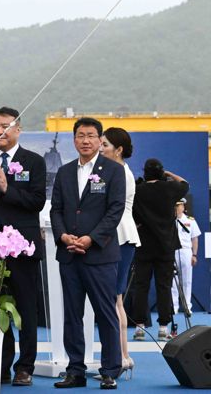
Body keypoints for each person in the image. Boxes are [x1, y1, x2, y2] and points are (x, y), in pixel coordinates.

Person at [50, 117, 124, 389]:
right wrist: (63, 235)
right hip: (69, 254)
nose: (85, 141)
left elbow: (115, 210)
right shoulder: (65, 172)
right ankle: (75, 370)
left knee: (105, 313)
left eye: (91, 136)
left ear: (99, 140)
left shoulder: (113, 171)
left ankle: (109, 370)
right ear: (74, 139)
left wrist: (91, 239)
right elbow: (56, 209)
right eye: (80, 135)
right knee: (72, 315)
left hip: (100, 255)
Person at [0, 107, 46, 387]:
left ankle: (25, 366)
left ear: (18, 129)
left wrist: (6, 190)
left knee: (27, 309)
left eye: (4, 126)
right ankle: (1, 364)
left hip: (22, 248)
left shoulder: (34, 162)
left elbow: (37, 201)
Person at [130, 159, 189, 342]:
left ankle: (139, 327)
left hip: (143, 245)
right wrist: (169, 175)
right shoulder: (169, 188)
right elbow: (184, 184)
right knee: (164, 287)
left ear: (145, 172)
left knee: (141, 286)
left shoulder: (137, 190)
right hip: (166, 246)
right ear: (161, 173)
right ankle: (164, 327)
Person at [100, 127, 140, 375]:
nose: (100, 148)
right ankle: (122, 355)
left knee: (115, 300)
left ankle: (122, 356)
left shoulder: (121, 174)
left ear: (119, 149)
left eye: (104, 144)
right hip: (117, 235)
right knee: (115, 300)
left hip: (120, 235)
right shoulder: (114, 171)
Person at [171, 198, 200, 318]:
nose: (177, 208)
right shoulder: (169, 221)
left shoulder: (190, 221)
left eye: (179, 206)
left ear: (183, 207)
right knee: (173, 281)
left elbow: (195, 238)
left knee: (187, 280)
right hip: (172, 252)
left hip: (186, 251)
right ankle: (174, 306)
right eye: (175, 206)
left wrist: (194, 254)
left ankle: (187, 306)